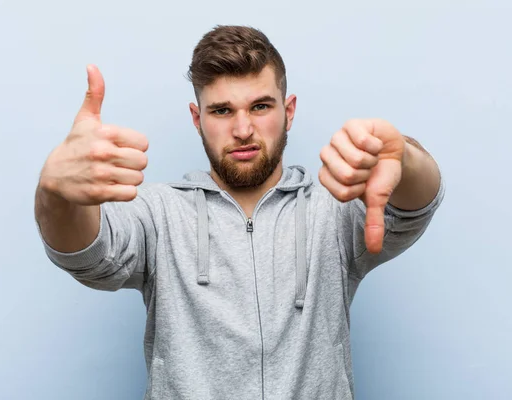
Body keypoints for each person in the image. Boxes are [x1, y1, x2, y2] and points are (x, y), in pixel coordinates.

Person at [34, 25, 444, 400]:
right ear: (198, 119)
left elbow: (411, 208)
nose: (243, 129)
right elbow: (89, 254)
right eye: (222, 110)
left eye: (261, 106)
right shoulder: (159, 214)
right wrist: (56, 195)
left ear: (290, 110)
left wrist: (404, 157)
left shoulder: (331, 210)